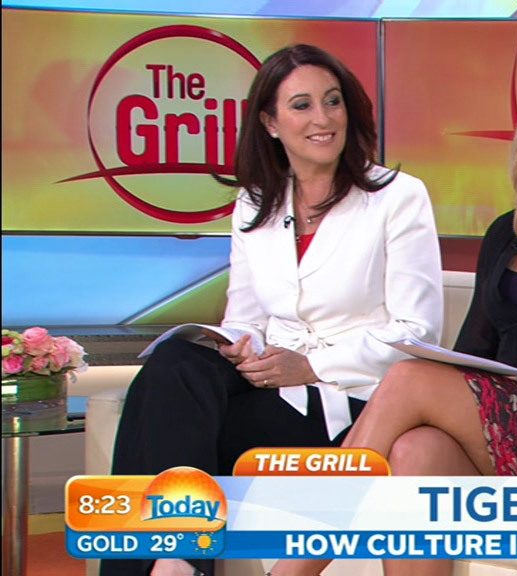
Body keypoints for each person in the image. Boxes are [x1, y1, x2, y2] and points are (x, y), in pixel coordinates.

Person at [268, 56, 517, 576]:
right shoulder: (508, 231)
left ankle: (289, 571)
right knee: (417, 448)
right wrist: (486, 380)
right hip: (504, 422)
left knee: (408, 381)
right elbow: (473, 352)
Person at [100, 44, 444, 576]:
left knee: (172, 430)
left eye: (332, 101)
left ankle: (176, 559)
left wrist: (308, 366)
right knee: (175, 365)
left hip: (351, 400)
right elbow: (245, 317)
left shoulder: (397, 195)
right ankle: (177, 559)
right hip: (271, 383)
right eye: (302, 106)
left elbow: (417, 331)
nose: (323, 119)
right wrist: (239, 345)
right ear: (270, 122)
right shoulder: (256, 201)